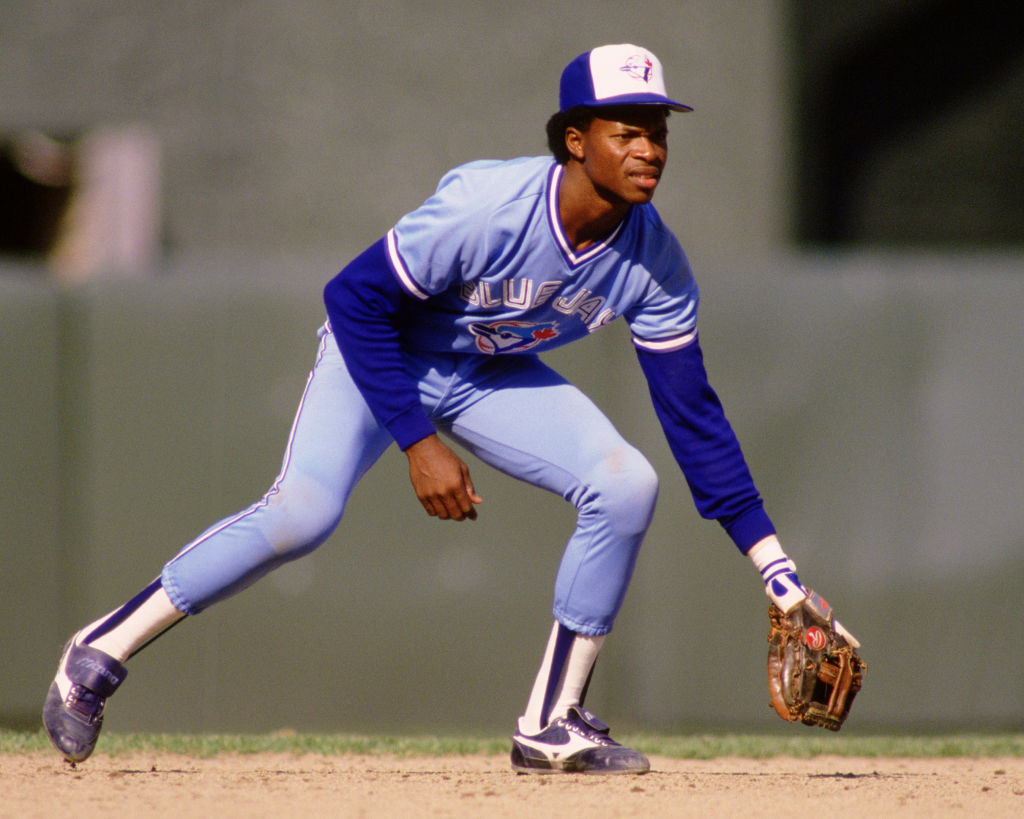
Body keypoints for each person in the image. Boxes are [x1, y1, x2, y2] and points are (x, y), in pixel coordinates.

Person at [43, 43, 846, 775]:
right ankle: (98, 650)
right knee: (302, 513)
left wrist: (780, 579)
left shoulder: (655, 262)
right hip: (383, 354)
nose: (648, 148)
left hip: (485, 369)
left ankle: (550, 721)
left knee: (626, 483)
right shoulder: (488, 207)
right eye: (625, 129)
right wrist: (416, 441)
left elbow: (693, 416)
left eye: (658, 130)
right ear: (576, 140)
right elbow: (354, 298)